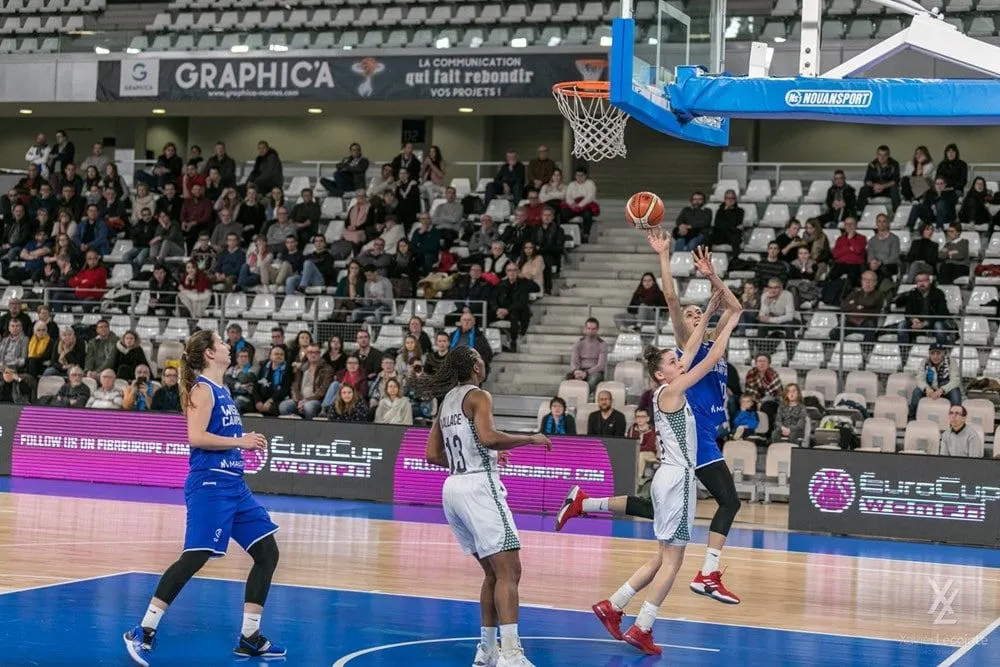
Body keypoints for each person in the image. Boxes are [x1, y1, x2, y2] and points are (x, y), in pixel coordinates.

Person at [557, 236, 745, 605]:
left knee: (656, 511)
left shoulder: (712, 342)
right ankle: (708, 571)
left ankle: (586, 504)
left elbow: (735, 307)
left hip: (701, 437)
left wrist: (712, 277)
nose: (693, 316)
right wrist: (664, 257)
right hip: (698, 440)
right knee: (729, 501)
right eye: (689, 315)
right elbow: (673, 300)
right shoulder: (683, 353)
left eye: (697, 313)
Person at [123, 330, 283, 665]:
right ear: (210, 353)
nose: (229, 346)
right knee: (195, 556)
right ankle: (144, 629)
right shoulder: (202, 388)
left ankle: (250, 636)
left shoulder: (223, 389)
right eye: (223, 342)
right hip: (209, 484)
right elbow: (196, 437)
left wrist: (240, 444)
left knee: (267, 552)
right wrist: (242, 441)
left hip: (235, 486)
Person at [590, 300, 739, 655]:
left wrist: (710, 311)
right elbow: (709, 353)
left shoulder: (668, 389)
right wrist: (729, 321)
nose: (679, 361)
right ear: (661, 374)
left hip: (668, 477)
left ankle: (614, 604)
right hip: (677, 479)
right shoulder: (672, 390)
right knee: (673, 563)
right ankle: (643, 627)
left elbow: (692, 348)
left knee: (661, 558)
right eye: (673, 362)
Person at [416, 345, 552, 667]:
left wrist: (484, 452)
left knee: (492, 573)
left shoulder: (446, 401)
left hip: (453, 490)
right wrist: (530, 438)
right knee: (510, 571)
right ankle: (510, 654)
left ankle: (487, 651)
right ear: (475, 367)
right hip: (479, 487)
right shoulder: (479, 396)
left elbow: (433, 455)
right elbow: (488, 436)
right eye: (480, 357)